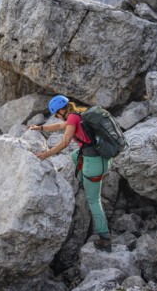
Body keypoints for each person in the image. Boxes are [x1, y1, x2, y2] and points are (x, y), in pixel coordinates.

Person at [28, 95, 112, 252]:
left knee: (93, 201)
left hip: (94, 163)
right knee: (74, 156)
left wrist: (46, 154)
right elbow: (61, 127)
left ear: (61, 110)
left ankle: (105, 238)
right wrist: (40, 128)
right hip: (100, 157)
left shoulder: (73, 118)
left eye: (56, 114)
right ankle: (83, 180)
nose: (56, 117)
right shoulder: (77, 114)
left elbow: (65, 142)